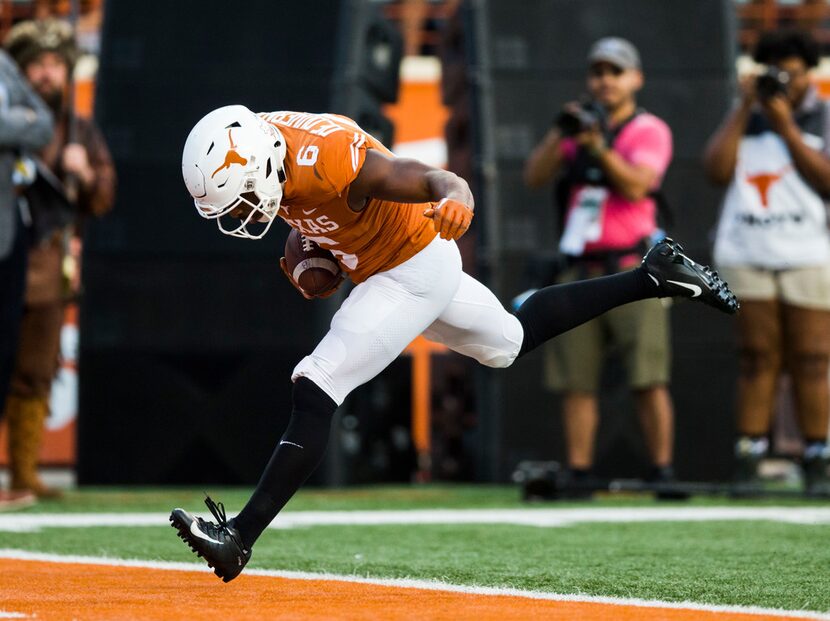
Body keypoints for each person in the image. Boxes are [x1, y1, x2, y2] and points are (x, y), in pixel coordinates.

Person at [170, 104, 737, 582]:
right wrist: (311, 245)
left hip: (410, 264)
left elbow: (415, 177)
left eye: (242, 198)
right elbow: (309, 211)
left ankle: (239, 537)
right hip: (393, 264)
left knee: (318, 382)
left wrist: (455, 190)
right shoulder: (258, 140)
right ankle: (655, 277)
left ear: (263, 164)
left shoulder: (331, 157)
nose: (243, 214)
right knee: (509, 340)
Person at [523, 37, 676, 488]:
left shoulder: (648, 130)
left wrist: (598, 146)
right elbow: (534, 176)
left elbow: (636, 186)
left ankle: (661, 472)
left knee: (648, 376)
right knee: (577, 379)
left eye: (615, 72)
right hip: (580, 268)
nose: (605, 81)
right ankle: (580, 472)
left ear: (636, 79)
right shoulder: (578, 131)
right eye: (598, 72)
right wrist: (561, 131)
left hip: (633, 269)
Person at [703, 29, 830, 497]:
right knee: (758, 359)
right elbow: (715, 170)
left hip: (808, 252)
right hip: (747, 252)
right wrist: (743, 107)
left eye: (791, 71)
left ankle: (817, 456)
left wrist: (786, 127)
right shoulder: (746, 114)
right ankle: (750, 456)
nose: (782, 81)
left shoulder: (823, 115)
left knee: (813, 359)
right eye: (773, 70)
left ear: (808, 73)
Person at [0, 19, 115, 499]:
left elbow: (104, 196)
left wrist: (84, 173)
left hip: (49, 264)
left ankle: (23, 474)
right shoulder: (18, 125)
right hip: (8, 250)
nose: (47, 75)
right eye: (37, 66)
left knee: (35, 369)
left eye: (55, 65)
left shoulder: (77, 130)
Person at [0, 46, 54, 510]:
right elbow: (28, 124)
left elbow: (44, 123)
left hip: (7, 228)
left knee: (5, 352)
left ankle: (13, 475)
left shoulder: (2, 63)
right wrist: (15, 126)